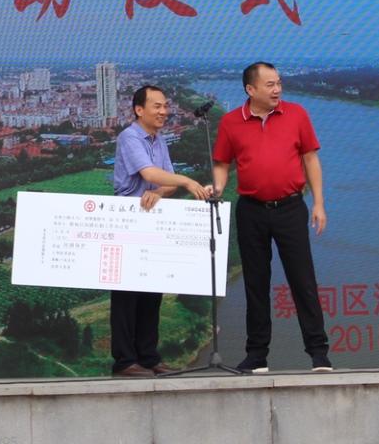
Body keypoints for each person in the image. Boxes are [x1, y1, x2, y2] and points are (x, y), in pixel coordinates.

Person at [212, 62, 332, 373]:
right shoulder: (230, 122)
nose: (277, 89)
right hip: (251, 211)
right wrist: (218, 187)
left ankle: (318, 353)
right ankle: (257, 355)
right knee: (255, 284)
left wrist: (319, 203)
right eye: (270, 85)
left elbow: (310, 159)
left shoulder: (296, 114)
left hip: (290, 210)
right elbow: (222, 163)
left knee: (303, 281)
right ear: (250, 89)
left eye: (278, 83)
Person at [110, 84, 213, 377]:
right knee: (127, 293)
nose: (164, 111)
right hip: (128, 218)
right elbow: (150, 173)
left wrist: (158, 191)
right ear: (138, 110)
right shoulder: (130, 137)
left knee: (151, 289)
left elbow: (164, 182)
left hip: (152, 217)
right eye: (157, 106)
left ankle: (148, 357)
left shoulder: (160, 140)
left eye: (165, 106)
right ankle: (124, 361)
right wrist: (187, 181)